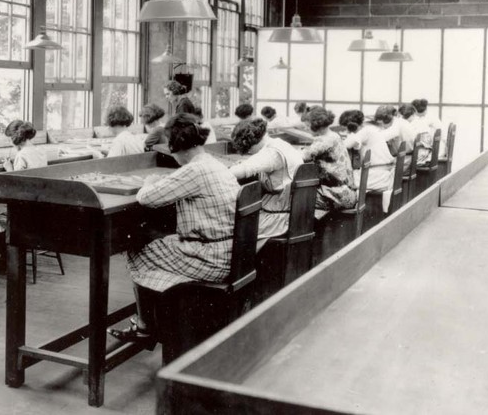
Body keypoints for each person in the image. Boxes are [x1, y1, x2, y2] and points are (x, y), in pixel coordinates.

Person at [108, 113, 240, 342]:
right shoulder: (213, 164)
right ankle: (156, 319)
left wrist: (149, 183)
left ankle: (146, 326)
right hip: (230, 252)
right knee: (159, 239)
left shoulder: (193, 170)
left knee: (135, 249)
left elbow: (147, 198)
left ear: (176, 146)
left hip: (211, 259)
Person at [0, 120, 48, 270]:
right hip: (39, 207)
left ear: (15, 138)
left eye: (10, 138)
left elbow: (15, 186)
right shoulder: (41, 152)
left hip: (23, 207)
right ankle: (0, 253)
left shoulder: (22, 156)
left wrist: (8, 168)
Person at [229, 118, 303, 249]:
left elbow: (244, 169)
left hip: (281, 215)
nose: (249, 153)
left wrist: (217, 172)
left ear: (251, 142)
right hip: (294, 207)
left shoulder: (271, 153)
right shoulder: (279, 143)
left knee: (234, 230)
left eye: (248, 150)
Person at [301, 107, 356, 212]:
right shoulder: (333, 135)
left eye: (307, 126)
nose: (306, 129)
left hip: (340, 195)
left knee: (298, 198)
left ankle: (310, 227)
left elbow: (303, 156)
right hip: (347, 191)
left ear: (316, 124)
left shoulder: (325, 140)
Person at [338, 109, 394, 194]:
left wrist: (347, 136)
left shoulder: (364, 132)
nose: (346, 131)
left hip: (377, 177)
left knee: (341, 181)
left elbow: (344, 145)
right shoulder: (370, 129)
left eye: (346, 129)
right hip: (382, 173)